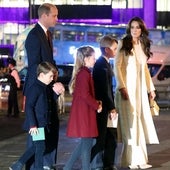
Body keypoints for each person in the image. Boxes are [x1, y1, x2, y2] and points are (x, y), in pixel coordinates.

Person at [114, 17, 159, 169]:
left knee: (139, 123)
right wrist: (122, 87)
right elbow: (117, 67)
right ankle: (132, 160)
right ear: (129, 29)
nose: (135, 30)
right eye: (132, 27)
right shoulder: (123, 43)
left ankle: (140, 160)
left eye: (138, 27)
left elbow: (145, 70)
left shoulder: (142, 44)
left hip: (139, 91)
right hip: (127, 90)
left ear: (142, 29)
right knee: (130, 125)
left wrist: (151, 89)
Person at [24, 3, 65, 169]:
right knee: (38, 129)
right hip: (39, 88)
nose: (57, 18)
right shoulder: (34, 36)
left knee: (50, 126)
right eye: (54, 15)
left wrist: (55, 81)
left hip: (48, 87)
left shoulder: (47, 34)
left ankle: (47, 163)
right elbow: (35, 66)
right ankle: (34, 165)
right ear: (44, 16)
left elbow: (49, 62)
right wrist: (51, 82)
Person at [9, 61, 57, 170]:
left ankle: (18, 165)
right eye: (50, 76)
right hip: (37, 124)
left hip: (41, 124)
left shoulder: (44, 87)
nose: (52, 78)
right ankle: (19, 165)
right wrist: (32, 125)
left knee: (38, 147)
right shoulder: (35, 88)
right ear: (41, 75)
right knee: (39, 147)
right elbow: (29, 107)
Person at [63, 46, 102, 170]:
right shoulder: (84, 74)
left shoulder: (82, 73)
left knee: (86, 143)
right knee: (86, 144)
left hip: (84, 112)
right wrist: (97, 106)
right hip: (86, 113)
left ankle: (68, 167)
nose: (95, 60)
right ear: (85, 59)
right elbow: (85, 94)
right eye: (93, 58)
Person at [91, 35, 118, 170]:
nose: (116, 51)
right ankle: (96, 163)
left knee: (108, 136)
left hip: (105, 106)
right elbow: (105, 89)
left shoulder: (104, 63)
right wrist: (112, 107)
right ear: (107, 49)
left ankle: (107, 163)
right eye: (114, 48)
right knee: (103, 138)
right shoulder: (102, 65)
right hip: (104, 107)